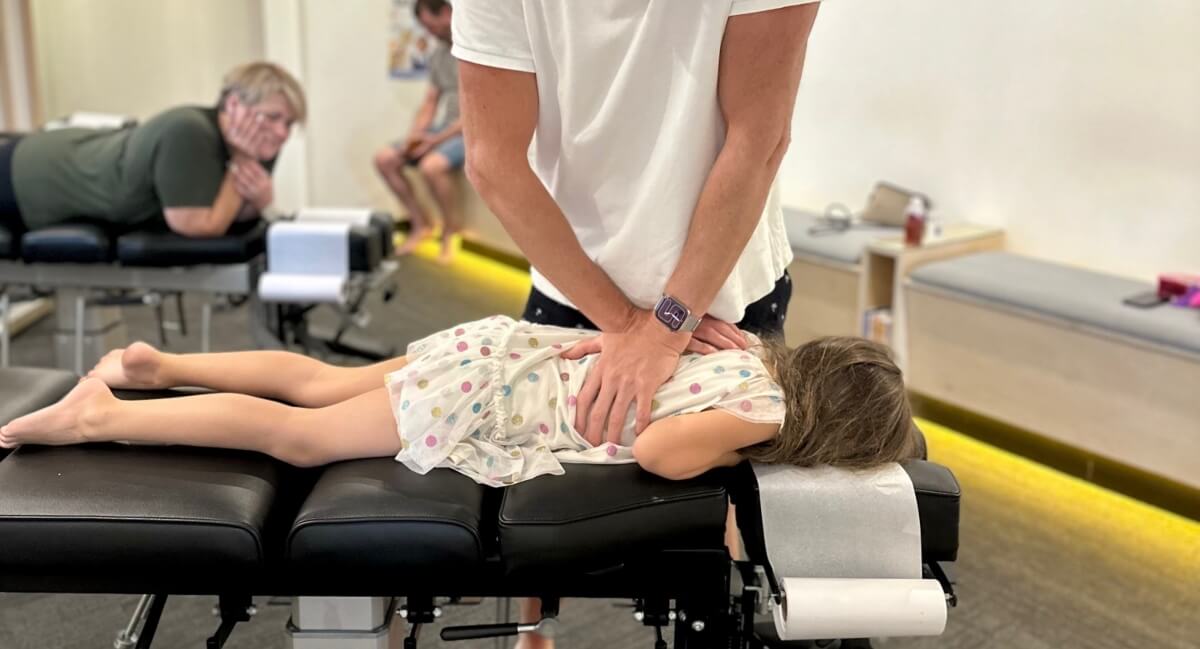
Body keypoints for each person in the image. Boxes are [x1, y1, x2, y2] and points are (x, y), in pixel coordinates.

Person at [452, 1, 824, 457]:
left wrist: (664, 329)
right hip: (580, 300)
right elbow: (492, 162)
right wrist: (631, 326)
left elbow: (759, 139)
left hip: (721, 308)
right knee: (559, 513)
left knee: (725, 514)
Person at [0, 316, 918, 485]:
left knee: (319, 380)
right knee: (303, 438)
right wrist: (739, 456)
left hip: (499, 347)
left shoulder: (752, 355)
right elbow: (659, 454)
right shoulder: (761, 418)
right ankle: (104, 414)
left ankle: (163, 366)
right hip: (495, 394)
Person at [0, 61, 305, 239]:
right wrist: (241, 164)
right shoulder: (189, 132)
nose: (282, 132)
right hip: (27, 175)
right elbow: (198, 225)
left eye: (289, 123)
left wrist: (261, 201)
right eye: (273, 117)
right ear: (234, 105)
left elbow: (236, 214)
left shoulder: (255, 145)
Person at [374, 0, 465, 263]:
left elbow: (476, 115)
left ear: (448, 13)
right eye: (425, 27)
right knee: (385, 159)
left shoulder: (473, 52)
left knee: (431, 166)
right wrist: (416, 136)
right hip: (445, 128)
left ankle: (451, 230)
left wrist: (433, 141)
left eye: (432, 24)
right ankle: (421, 224)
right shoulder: (437, 56)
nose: (430, 31)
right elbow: (430, 101)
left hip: (472, 132)